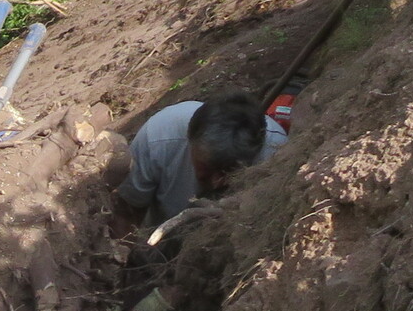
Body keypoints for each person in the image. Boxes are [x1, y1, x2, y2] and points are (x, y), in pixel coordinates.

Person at [112, 91, 288, 236]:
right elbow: (126, 211)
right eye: (208, 168)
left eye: (229, 170)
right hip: (155, 247)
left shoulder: (276, 154)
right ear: (190, 140)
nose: (216, 182)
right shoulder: (160, 138)